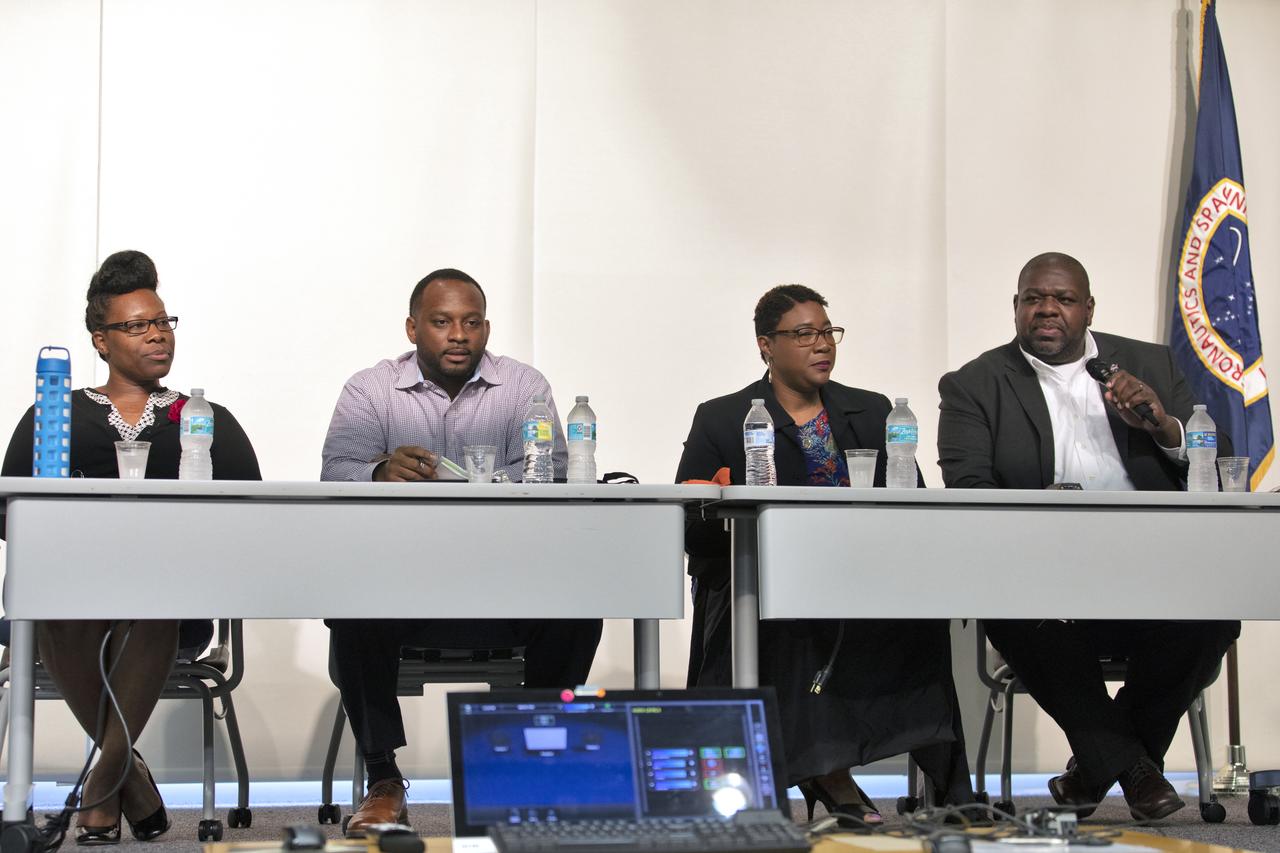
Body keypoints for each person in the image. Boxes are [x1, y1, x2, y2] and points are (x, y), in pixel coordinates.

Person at [937, 251, 1239, 821]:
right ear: (1017, 307)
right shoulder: (974, 384)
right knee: (1019, 614)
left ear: (1088, 309)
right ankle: (1135, 771)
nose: (1047, 310)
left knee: (1214, 617)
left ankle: (1094, 771)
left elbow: (1214, 467)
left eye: (1064, 299)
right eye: (1034, 299)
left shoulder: (1148, 363)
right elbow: (969, 486)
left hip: (1150, 574)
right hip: (1043, 579)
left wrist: (1165, 426)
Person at [676, 284, 974, 825]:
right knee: (797, 617)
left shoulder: (872, 410)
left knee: (922, 619)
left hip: (863, 576)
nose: (822, 345)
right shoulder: (722, 418)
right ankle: (829, 773)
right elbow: (693, 529)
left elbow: (912, 501)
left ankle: (949, 785)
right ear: (766, 345)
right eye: (804, 334)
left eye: (828, 332)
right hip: (762, 582)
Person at [320, 267, 603, 837]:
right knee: (350, 608)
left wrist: (484, 483)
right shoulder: (370, 390)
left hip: (503, 584)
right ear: (412, 328)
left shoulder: (524, 387)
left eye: (471, 323)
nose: (458, 335)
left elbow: (542, 474)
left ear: (486, 328)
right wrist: (378, 471)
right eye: (442, 322)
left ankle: (532, 768)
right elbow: (334, 473)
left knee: (579, 608)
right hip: (405, 587)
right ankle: (383, 781)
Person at [1, 250, 261, 845]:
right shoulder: (56, 414)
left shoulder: (202, 417)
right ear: (101, 340)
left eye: (164, 323)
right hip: (77, 598)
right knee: (57, 608)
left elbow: (250, 514)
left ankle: (103, 782)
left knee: (155, 598)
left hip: (175, 602)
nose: (157, 336)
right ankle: (127, 775)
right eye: (137, 325)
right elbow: (13, 514)